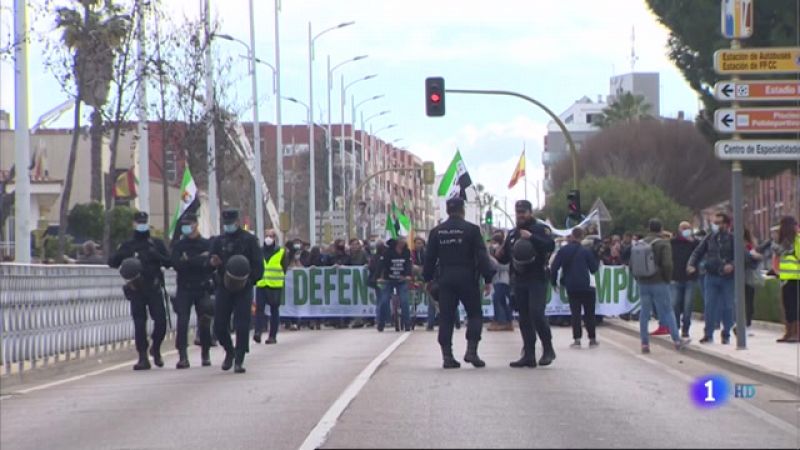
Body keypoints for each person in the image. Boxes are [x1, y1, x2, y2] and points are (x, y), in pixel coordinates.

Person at [423, 197, 494, 369]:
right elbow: (482, 256)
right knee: (475, 315)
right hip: (468, 278)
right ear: (463, 210)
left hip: (446, 278)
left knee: (446, 317)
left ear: (447, 211)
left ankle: (447, 357)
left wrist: (427, 279)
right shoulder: (472, 230)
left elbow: (429, 258)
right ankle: (472, 351)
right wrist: (488, 278)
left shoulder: (437, 231)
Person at [495, 200, 556, 368]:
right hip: (519, 280)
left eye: (523, 212)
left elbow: (550, 245)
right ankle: (528, 354)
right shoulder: (513, 233)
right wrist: (499, 253)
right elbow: (506, 256)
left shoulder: (539, 229)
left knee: (537, 313)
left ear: (530, 212)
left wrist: (532, 238)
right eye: (518, 212)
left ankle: (548, 348)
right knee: (524, 318)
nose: (520, 215)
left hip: (537, 278)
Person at [108, 211, 171, 370]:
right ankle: (142, 356)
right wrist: (123, 256)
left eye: (143, 221)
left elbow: (169, 262)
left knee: (161, 322)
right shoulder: (128, 245)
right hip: (136, 289)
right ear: (134, 224)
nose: (141, 224)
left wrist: (156, 256)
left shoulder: (156, 243)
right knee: (139, 323)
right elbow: (113, 262)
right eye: (138, 222)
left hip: (154, 287)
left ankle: (155, 348)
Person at [209, 209, 263, 374]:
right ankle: (229, 351)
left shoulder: (249, 240)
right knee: (219, 324)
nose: (228, 226)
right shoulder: (219, 241)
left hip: (243, 287)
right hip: (224, 286)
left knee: (242, 323)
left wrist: (250, 280)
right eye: (226, 224)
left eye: (231, 223)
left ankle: (239, 358)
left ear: (237, 222)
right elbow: (209, 262)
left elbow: (258, 266)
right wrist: (213, 263)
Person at [632, 219, 690, 354]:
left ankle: (644, 343)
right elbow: (668, 264)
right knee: (668, 310)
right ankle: (676, 340)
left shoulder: (640, 243)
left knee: (644, 313)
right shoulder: (663, 243)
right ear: (661, 229)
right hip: (659, 282)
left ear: (649, 228)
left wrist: (638, 278)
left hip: (643, 282)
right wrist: (667, 279)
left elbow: (632, 264)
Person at [170, 212, 214, 368]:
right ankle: (182, 356)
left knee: (205, 322)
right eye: (184, 224)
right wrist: (199, 260)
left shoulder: (206, 244)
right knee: (182, 322)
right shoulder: (179, 245)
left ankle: (205, 353)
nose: (186, 227)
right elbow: (176, 264)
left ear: (196, 224)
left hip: (202, 287)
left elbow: (210, 264)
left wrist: (189, 261)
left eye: (189, 224)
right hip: (184, 288)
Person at [688, 212, 735, 344]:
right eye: (715, 223)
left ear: (726, 224)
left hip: (727, 278)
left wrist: (732, 265)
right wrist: (691, 264)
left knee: (728, 306)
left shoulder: (733, 239)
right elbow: (697, 252)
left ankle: (726, 334)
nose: (716, 225)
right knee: (709, 306)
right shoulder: (710, 238)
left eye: (719, 223)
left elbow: (741, 256)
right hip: (711, 276)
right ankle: (708, 334)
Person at [551, 227, 599, 348]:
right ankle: (592, 339)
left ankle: (577, 339)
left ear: (572, 236)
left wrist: (553, 282)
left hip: (572, 286)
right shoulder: (586, 251)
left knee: (575, 313)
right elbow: (593, 269)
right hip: (587, 286)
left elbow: (554, 267)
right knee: (589, 313)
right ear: (582, 237)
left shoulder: (563, 250)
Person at [254, 229, 289, 345]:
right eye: (267, 235)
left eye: (271, 236)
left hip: (275, 285)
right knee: (259, 309)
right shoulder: (259, 251)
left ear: (275, 238)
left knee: (274, 310)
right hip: (262, 283)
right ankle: (258, 332)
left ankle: (272, 336)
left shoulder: (281, 252)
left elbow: (284, 268)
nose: (269, 238)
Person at [670, 221, 699, 338]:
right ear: (679, 230)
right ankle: (675, 326)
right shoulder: (673, 243)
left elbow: (700, 255)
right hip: (675, 278)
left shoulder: (695, 243)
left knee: (688, 306)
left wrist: (693, 242)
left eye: (687, 228)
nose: (685, 230)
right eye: (683, 228)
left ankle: (686, 328)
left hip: (690, 279)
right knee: (675, 304)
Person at [378, 236, 413, 332]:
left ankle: (407, 323)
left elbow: (408, 265)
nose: (403, 243)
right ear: (397, 242)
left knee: (404, 300)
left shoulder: (407, 252)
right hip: (388, 279)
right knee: (384, 301)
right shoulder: (388, 252)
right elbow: (382, 265)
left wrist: (408, 275)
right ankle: (381, 323)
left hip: (402, 280)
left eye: (404, 241)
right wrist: (380, 277)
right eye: (401, 241)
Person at [775, 216, 800, 343]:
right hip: (785, 278)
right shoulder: (782, 243)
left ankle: (796, 333)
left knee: (795, 306)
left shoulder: (797, 240)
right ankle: (789, 332)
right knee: (787, 306)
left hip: (796, 278)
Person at [488, 233, 513, 332]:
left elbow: (504, 266)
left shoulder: (503, 253)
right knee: (502, 301)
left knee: (497, 299)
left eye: (493, 242)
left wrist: (493, 260)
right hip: (498, 280)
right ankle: (507, 321)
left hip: (503, 280)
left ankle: (501, 321)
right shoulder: (496, 252)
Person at [742, 228, 764, 336]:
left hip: (748, 276)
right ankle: (742, 324)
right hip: (738, 276)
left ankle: (747, 324)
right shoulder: (734, 243)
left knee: (749, 301)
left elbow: (757, 258)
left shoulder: (750, 245)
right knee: (742, 301)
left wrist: (756, 257)